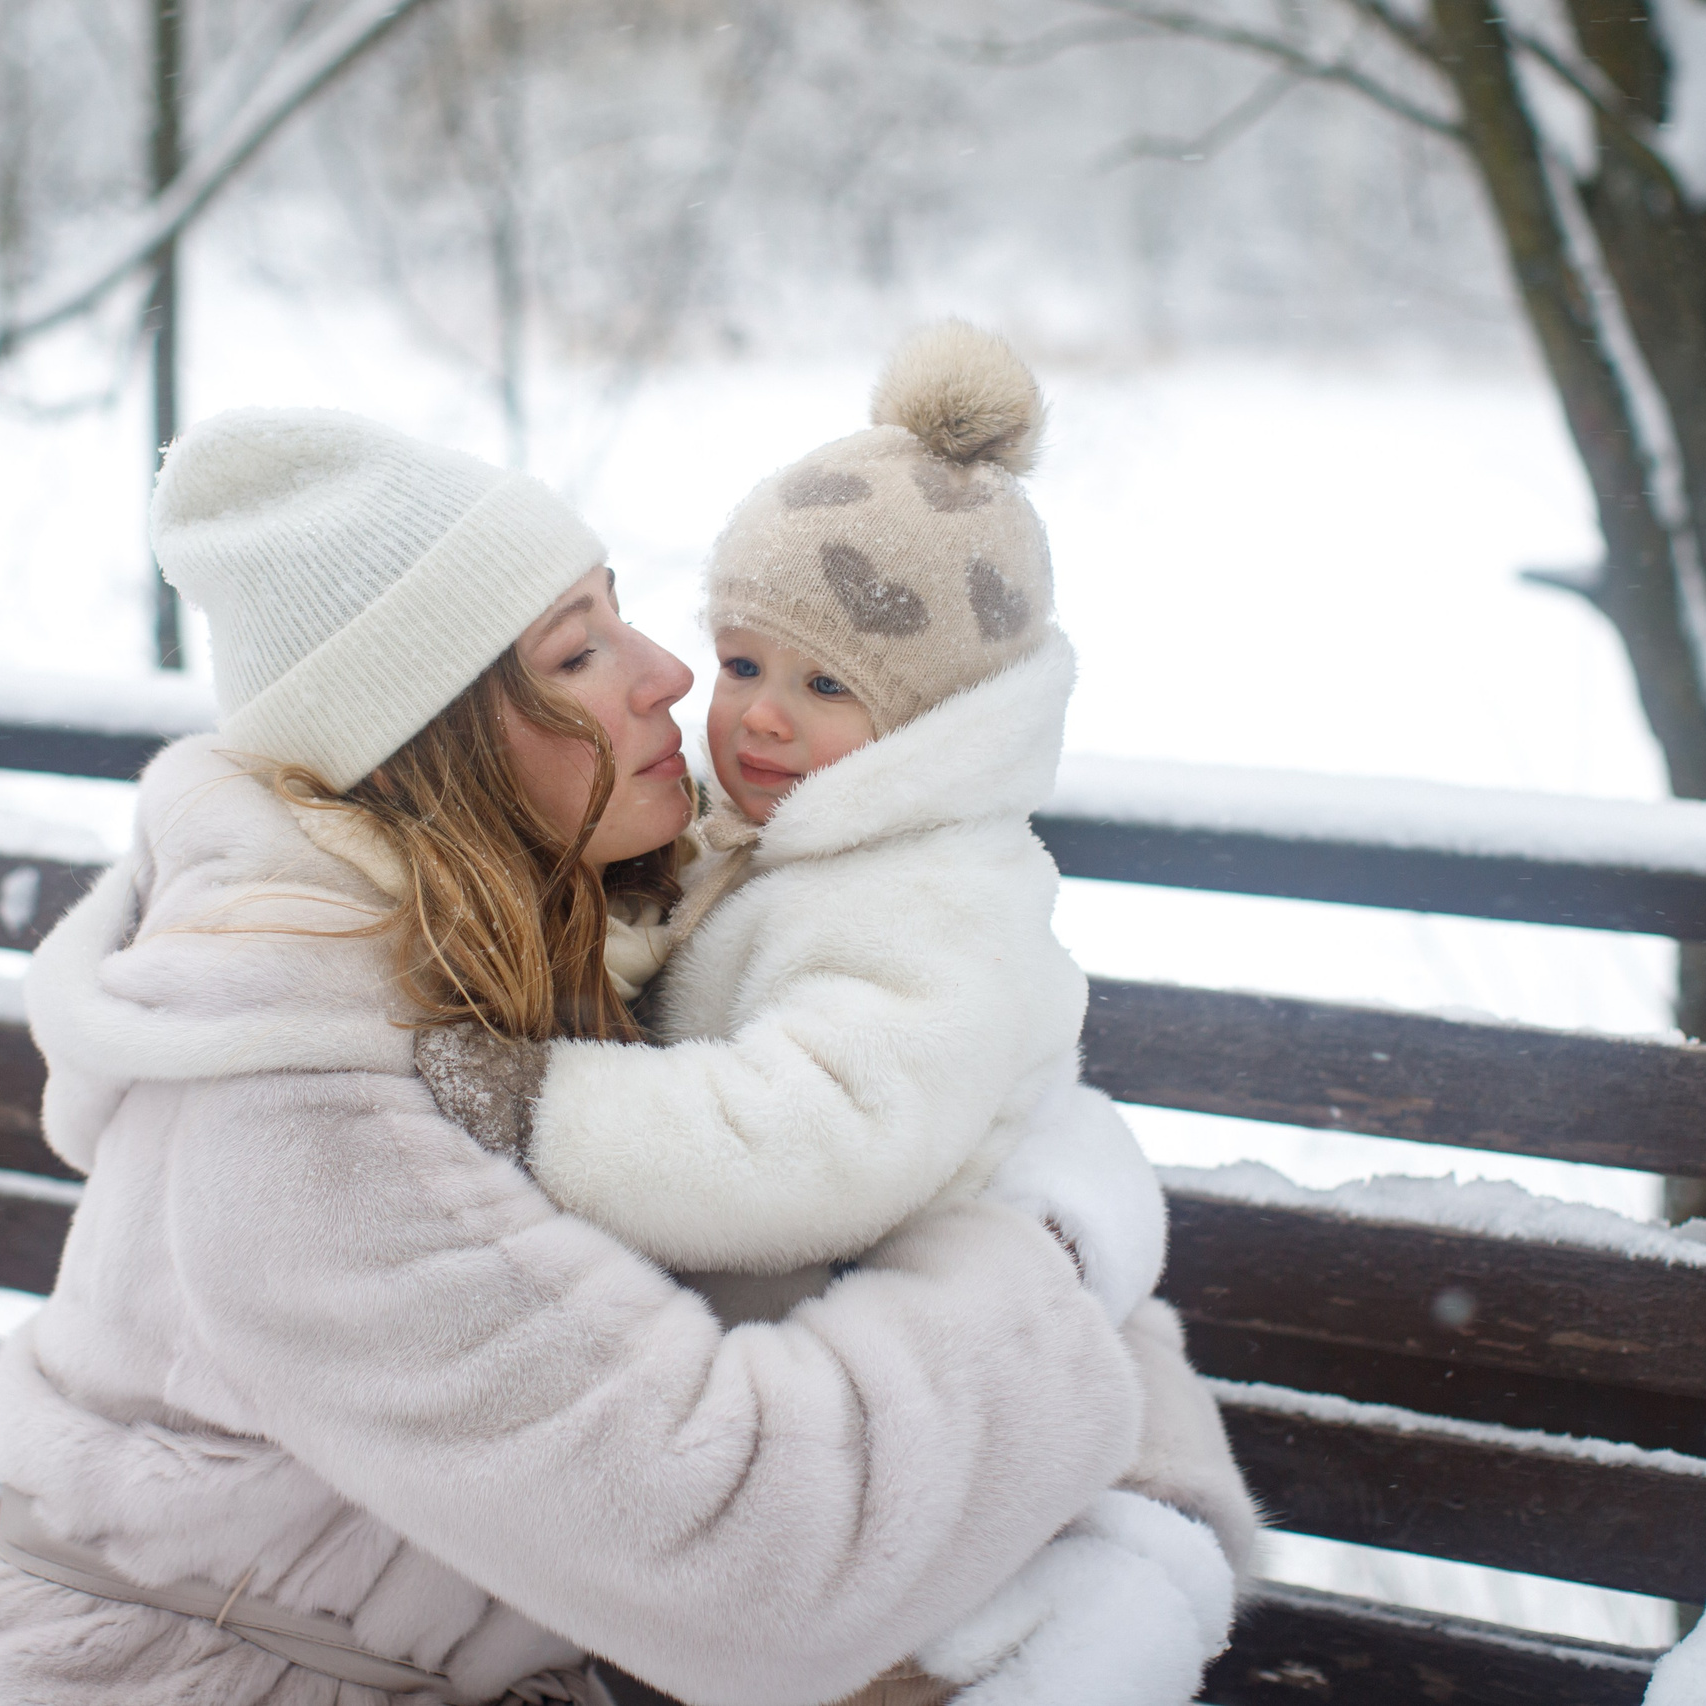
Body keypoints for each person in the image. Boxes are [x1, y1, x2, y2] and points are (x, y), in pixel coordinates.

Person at [0, 406, 1177, 1706]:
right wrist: (1050, 1250)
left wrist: (1141, 1511)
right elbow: (760, 1559)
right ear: (438, 740)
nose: (669, 676)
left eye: (622, 614)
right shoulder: (298, 1118)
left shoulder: (539, 945)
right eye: (579, 650)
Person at [410, 325, 1256, 1706]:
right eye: (743, 662)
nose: (757, 718)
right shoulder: (774, 835)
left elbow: (807, 1142)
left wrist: (542, 1103)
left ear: (932, 723)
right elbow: (672, 940)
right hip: (813, 1381)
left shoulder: (932, 900)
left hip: (929, 1416)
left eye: (826, 686)